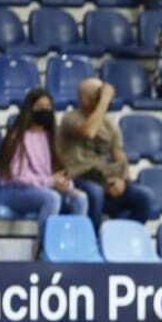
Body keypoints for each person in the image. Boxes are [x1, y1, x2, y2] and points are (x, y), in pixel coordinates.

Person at [57, 78, 153, 229]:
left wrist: (122, 180)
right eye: (97, 93)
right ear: (83, 98)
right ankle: (92, 237)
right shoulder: (70, 118)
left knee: (144, 196)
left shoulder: (109, 124)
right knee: (95, 192)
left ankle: (121, 236)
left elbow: (119, 155)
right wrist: (104, 102)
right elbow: (89, 132)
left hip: (103, 178)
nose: (101, 96)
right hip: (79, 178)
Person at [0, 89, 88, 230]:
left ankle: (74, 240)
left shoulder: (51, 137)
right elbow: (18, 177)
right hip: (15, 191)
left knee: (80, 198)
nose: (45, 111)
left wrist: (65, 184)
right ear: (30, 110)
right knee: (52, 198)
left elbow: (58, 172)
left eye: (48, 107)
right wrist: (50, 182)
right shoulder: (16, 137)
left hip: (45, 187)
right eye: (40, 107)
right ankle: (44, 241)